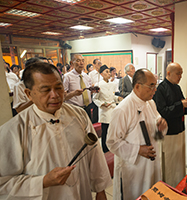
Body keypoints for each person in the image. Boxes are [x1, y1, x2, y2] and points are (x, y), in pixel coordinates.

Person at [0, 62, 112, 199]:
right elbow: (3, 184)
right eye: (46, 90)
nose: (55, 95)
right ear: (29, 94)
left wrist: (100, 190)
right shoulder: (13, 130)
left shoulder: (78, 114)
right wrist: (43, 181)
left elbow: (94, 154)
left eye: (58, 88)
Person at [107, 69, 168, 200]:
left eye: (155, 85)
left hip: (151, 163)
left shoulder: (150, 103)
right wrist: (138, 150)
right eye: (151, 86)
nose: (155, 90)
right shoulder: (123, 109)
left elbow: (157, 128)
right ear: (137, 86)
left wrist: (161, 126)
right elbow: (112, 142)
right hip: (134, 168)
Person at [153, 62, 187, 187]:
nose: (180, 76)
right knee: (170, 161)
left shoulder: (177, 87)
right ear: (168, 73)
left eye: (181, 73)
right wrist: (181, 105)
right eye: (178, 73)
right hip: (168, 132)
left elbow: (181, 104)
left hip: (179, 129)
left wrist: (186, 104)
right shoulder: (161, 89)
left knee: (179, 160)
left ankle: (179, 182)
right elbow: (162, 111)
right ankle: (169, 184)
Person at [93, 65, 122, 153]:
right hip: (105, 110)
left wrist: (118, 98)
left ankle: (112, 146)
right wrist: (102, 104)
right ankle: (105, 149)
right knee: (105, 131)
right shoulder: (98, 85)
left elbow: (112, 97)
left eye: (109, 72)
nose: (109, 74)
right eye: (106, 72)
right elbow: (95, 98)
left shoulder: (112, 84)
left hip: (112, 108)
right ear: (101, 74)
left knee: (113, 129)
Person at [63, 54, 98, 122]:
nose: (81, 63)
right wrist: (74, 93)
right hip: (74, 109)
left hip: (87, 108)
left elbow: (88, 93)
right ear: (71, 63)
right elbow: (63, 97)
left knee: (88, 130)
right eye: (78, 61)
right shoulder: (67, 77)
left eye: (83, 61)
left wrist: (93, 91)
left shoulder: (86, 76)